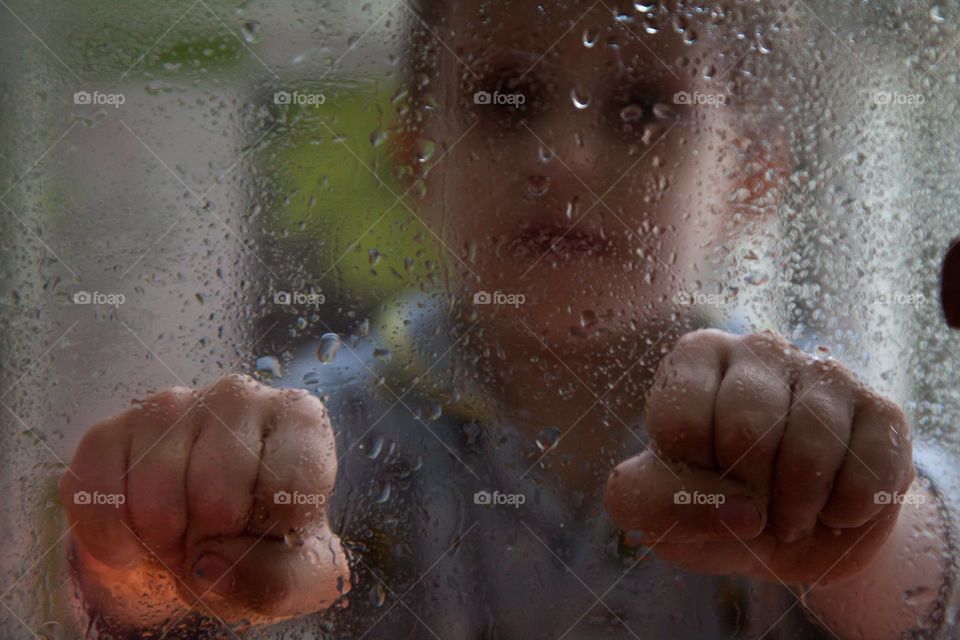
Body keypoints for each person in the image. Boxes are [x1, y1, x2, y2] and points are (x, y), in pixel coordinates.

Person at [58, 1, 955, 638]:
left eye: (643, 107)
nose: (565, 156)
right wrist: (150, 552)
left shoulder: (795, 420)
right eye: (507, 100)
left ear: (751, 176)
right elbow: (167, 603)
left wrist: (854, 525)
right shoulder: (325, 433)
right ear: (419, 158)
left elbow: (924, 576)